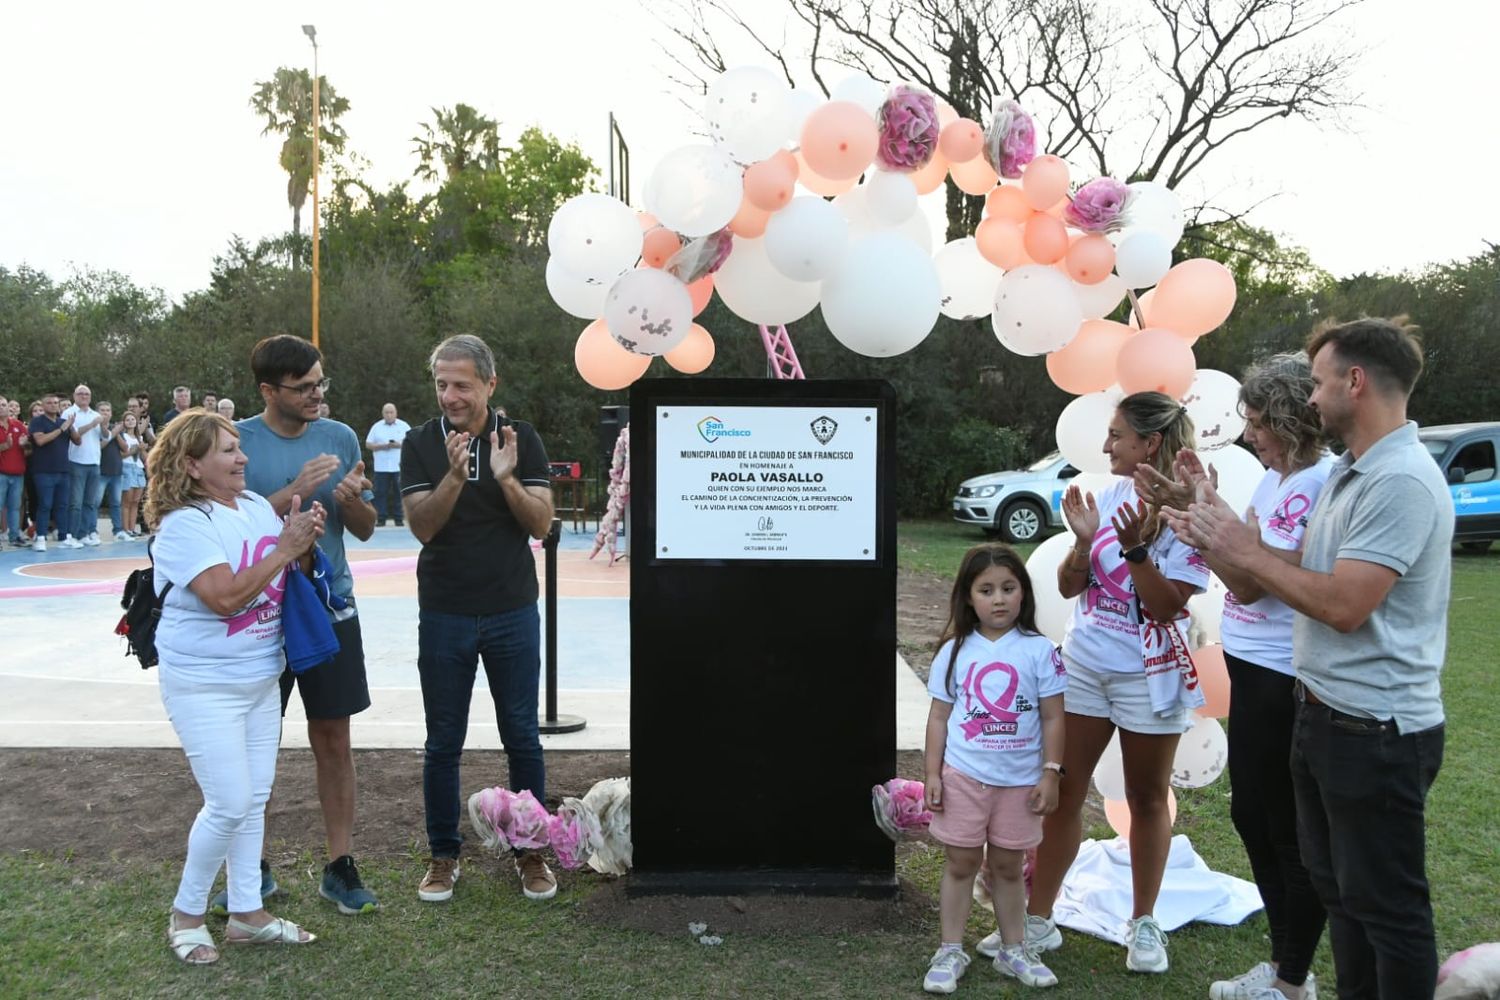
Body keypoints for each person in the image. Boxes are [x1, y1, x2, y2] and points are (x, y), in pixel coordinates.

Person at [1171, 317, 1451, 1000]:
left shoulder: (1400, 482)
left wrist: (1241, 551)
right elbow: (1301, 566)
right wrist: (1223, 531)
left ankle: (1294, 979)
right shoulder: (1357, 474)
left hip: (1376, 731)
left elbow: (1343, 604)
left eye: (1321, 382)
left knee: (1387, 910)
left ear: (1355, 383)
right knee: (1342, 896)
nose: (1313, 399)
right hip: (1326, 717)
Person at [1140, 354, 1333, 1000]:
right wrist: (1201, 507)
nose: (1250, 436)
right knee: (1252, 816)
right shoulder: (1278, 481)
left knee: (1283, 824)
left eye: (1257, 423)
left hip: (1285, 675)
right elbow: (1245, 560)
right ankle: (1286, 969)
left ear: (1286, 418)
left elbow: (1249, 581)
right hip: (1252, 669)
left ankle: (1290, 979)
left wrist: (1199, 529)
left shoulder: (1323, 483)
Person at [1025, 391, 1208, 975]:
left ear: (1149, 443)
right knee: (1063, 794)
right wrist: (1081, 545)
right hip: (1083, 666)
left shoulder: (1189, 511)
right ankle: (1038, 918)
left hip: (1147, 677)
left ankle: (1144, 924)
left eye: (1116, 435)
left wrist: (1134, 550)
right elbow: (1071, 587)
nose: (1105, 445)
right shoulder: (1105, 493)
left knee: (1148, 798)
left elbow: (1164, 609)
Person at [147, 409, 323, 963]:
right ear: (192, 465)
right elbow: (224, 596)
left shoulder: (249, 506)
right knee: (228, 803)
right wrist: (286, 547)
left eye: (238, 447)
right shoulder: (184, 526)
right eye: (227, 450)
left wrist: (305, 538)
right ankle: (186, 915)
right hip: (204, 686)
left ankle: (247, 913)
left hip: (258, 678)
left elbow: (285, 568)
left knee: (253, 801)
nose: (242, 456)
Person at [399, 334, 556, 903]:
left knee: (523, 737)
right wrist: (457, 476)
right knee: (443, 741)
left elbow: (540, 525)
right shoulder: (420, 444)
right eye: (442, 384)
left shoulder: (522, 438)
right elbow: (423, 527)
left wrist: (507, 476)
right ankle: (444, 856)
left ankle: (530, 849)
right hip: (444, 613)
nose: (450, 396)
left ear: (491, 384)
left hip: (513, 610)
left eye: (462, 384)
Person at [233, 334, 379, 917]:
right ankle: (251, 869)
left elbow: (363, 528)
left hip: (328, 609)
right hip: (259, 612)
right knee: (250, 748)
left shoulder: (339, 437)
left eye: (322, 382)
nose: (317, 395)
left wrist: (352, 500)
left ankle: (340, 866)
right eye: (304, 387)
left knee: (334, 740)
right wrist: (291, 492)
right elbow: (227, 532)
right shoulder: (236, 442)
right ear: (269, 390)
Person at [921, 545, 1066, 994]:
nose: (999, 599)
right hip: (963, 778)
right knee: (961, 862)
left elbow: (1053, 717)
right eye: (986, 590)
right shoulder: (954, 651)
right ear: (968, 597)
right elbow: (939, 717)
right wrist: (932, 773)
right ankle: (950, 949)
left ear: (1024, 593)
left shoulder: (1041, 651)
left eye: (1008, 588)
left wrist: (1051, 772)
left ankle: (1013, 948)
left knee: (1008, 865)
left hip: (1021, 784)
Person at [27, 394, 75, 552]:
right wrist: (61, 429)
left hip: (63, 470)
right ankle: (40, 538)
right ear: (43, 405)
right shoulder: (37, 422)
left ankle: (64, 537)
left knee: (62, 505)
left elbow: (78, 441)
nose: (54, 405)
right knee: (45, 505)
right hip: (43, 471)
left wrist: (71, 427)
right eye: (49, 403)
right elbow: (40, 441)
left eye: (56, 403)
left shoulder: (63, 422)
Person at [61, 384, 107, 548]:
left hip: (94, 462)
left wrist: (102, 425)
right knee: (75, 502)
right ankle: (71, 534)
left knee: (90, 502)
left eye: (87, 394)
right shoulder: (68, 413)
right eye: (80, 394)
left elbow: (105, 436)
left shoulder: (95, 414)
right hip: (76, 461)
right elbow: (73, 434)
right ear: (74, 396)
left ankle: (85, 533)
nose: (84, 396)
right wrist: (92, 424)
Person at [365, 403, 410, 528]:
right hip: (381, 466)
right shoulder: (377, 427)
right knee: (380, 492)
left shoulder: (404, 426)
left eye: (391, 412)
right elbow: (368, 444)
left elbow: (411, 443)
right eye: (386, 412)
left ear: (396, 413)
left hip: (398, 466)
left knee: (399, 492)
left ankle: (399, 518)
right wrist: (382, 446)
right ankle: (381, 518)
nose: (389, 415)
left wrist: (398, 444)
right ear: (382, 413)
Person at [0, 395, 27, 548]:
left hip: (17, 473)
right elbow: (5, 447)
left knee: (15, 507)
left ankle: (14, 536)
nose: (2, 407)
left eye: (3, 404)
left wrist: (25, 445)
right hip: (1, 473)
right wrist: (5, 446)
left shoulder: (18, 425)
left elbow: (29, 450)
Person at [119, 411, 147, 538]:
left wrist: (142, 449)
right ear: (124, 422)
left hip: (139, 468)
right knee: (127, 501)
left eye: (133, 419)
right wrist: (134, 450)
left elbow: (144, 457)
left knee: (136, 501)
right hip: (127, 467)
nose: (131, 422)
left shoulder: (139, 437)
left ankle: (132, 528)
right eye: (128, 419)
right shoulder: (122, 436)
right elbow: (121, 455)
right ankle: (125, 529)